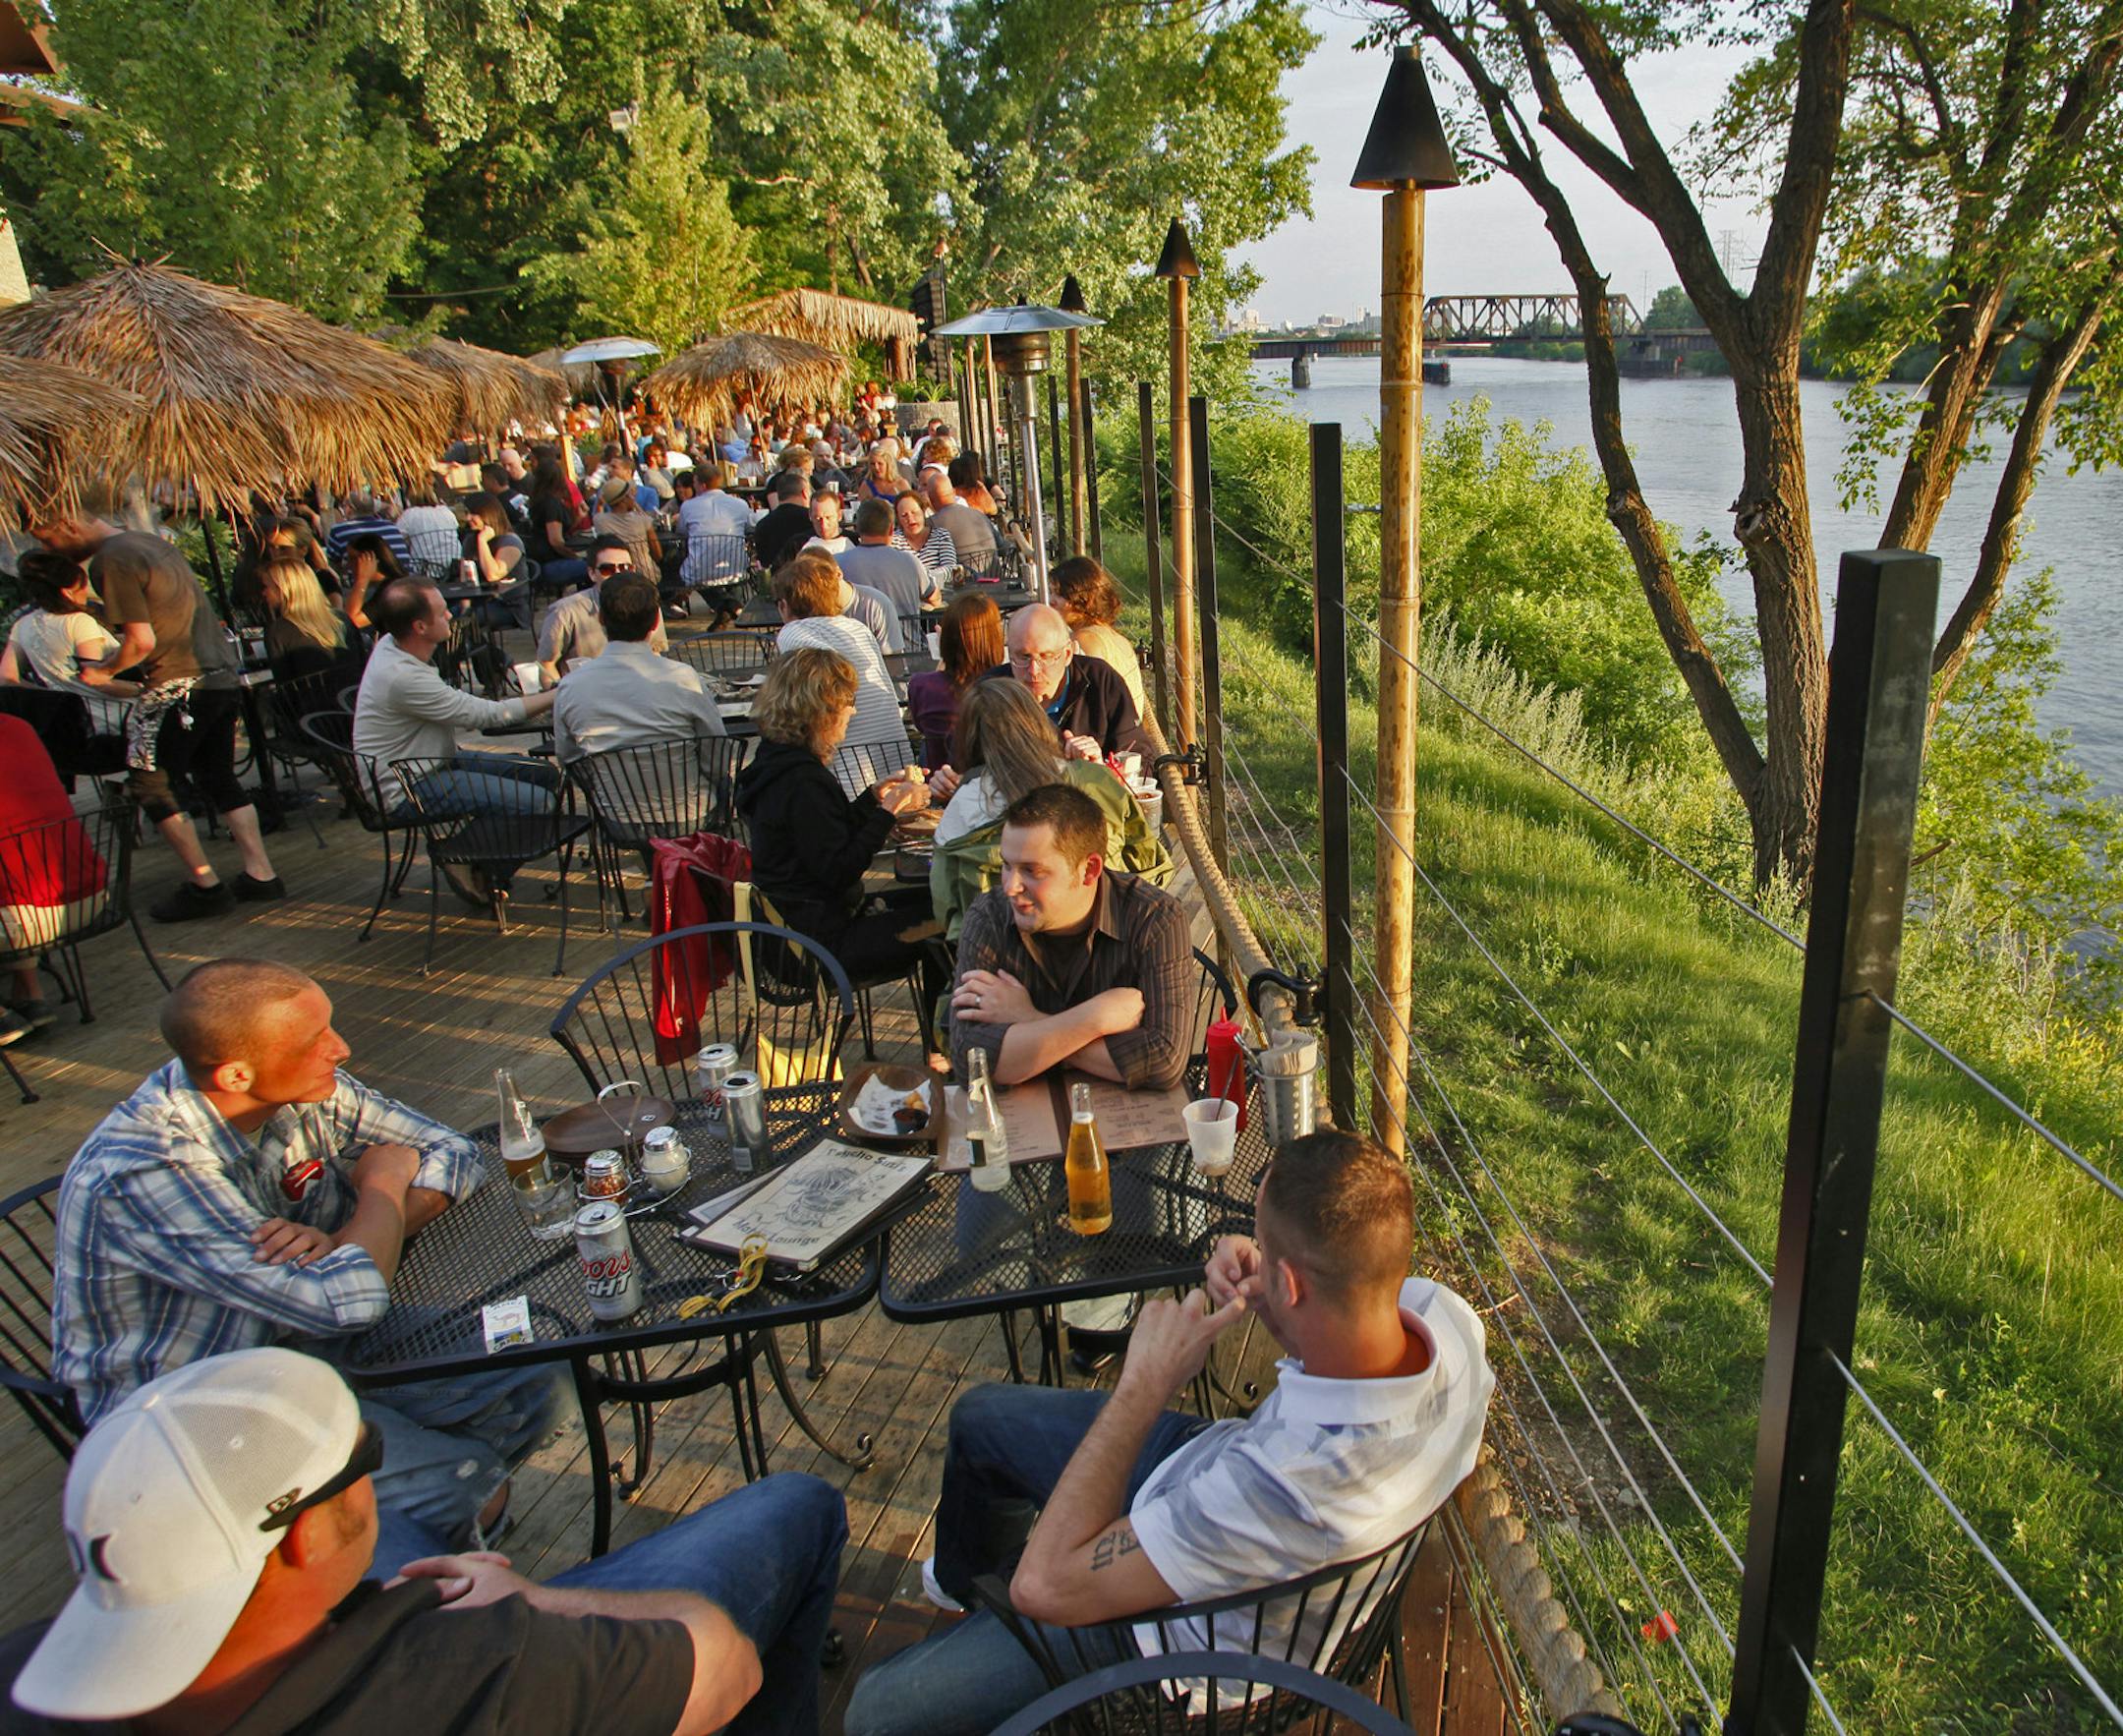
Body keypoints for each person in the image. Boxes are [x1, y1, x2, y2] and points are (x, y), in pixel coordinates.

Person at [842, 1128, 1496, 1736]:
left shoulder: (1285, 1487)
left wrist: (1141, 1387)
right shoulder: (1449, 1321)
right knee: (981, 1418)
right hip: (1220, 1499)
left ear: (1293, 1282)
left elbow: (1041, 1588)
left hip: (1178, 1639)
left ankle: (996, 1642)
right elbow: (1344, 1321)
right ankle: (967, 1602)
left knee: (874, 1712)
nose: (1253, 1257)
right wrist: (1275, 1290)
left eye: (1264, 1254)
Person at [0, 1348, 848, 1736]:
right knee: (798, 1505)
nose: (381, 1464)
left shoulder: (23, 1676)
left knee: (414, 1542)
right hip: (566, 1662)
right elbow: (724, 1666)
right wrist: (534, 1599)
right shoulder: (482, 1671)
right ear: (299, 1539)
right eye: (364, 1454)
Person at [48, 959, 571, 1550]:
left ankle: (391, 1526)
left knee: (538, 1362)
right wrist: (379, 1189)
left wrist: (357, 1234)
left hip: (309, 1344)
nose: (341, 1049)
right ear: (237, 1074)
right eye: (315, 1040)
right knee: (465, 1486)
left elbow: (453, 1150)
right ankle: (372, 1564)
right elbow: (345, 1302)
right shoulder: (150, 1168)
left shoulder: (295, 1087)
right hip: (200, 1414)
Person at [33, 491, 284, 921]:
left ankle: (206, 887)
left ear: (68, 525)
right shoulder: (150, 543)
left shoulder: (113, 558)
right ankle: (261, 874)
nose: (50, 551)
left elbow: (141, 641)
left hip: (175, 683)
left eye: (49, 541)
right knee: (217, 774)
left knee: (149, 783)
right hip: (219, 677)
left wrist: (105, 671)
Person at [733, 648, 946, 1053]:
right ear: (823, 710)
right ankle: (941, 1051)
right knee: (948, 922)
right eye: (848, 703)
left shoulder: (776, 763)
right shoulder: (803, 782)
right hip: (816, 947)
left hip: (790, 931)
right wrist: (887, 813)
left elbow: (817, 839)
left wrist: (869, 800)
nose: (852, 712)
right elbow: (839, 869)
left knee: (938, 897)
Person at [947, 782, 1189, 1089]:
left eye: (1032, 871)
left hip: (1129, 1124)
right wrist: (1094, 1020)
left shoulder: (1155, 919)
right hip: (1019, 1125)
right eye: (1007, 866)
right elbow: (970, 1060)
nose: (1010, 886)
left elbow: (1163, 1062)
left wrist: (1027, 1018)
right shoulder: (989, 917)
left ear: (1089, 870)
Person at [929, 681, 1168, 942]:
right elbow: (1148, 860)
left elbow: (947, 909)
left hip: (1001, 953)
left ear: (969, 737)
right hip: (1106, 936)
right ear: (1038, 724)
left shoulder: (962, 803)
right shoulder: (1094, 779)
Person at [353, 578, 559, 828]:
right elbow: (489, 715)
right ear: (419, 627)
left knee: (543, 773)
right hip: (408, 785)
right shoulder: (402, 676)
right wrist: (559, 693)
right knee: (539, 802)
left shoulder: (393, 642)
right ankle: (466, 863)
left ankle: (477, 852)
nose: (450, 616)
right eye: (442, 613)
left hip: (433, 760)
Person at [0, 714, 104, 1044]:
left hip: (24, 918)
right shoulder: (19, 726)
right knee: (17, 864)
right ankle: (29, 993)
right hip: (88, 898)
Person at [552, 573, 723, 764]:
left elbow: (568, 757)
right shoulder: (684, 678)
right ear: (656, 622)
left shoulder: (571, 685)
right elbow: (717, 750)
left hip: (609, 792)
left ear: (600, 618)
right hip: (686, 791)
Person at [773, 553, 906, 789]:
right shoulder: (856, 627)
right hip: (893, 752)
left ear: (784, 604)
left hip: (850, 765)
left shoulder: (792, 632)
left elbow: (828, 663)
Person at [986, 603, 1147, 763]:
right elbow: (966, 769)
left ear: (1068, 654)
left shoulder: (1101, 682)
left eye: (1046, 656)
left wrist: (1100, 767)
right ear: (1009, 653)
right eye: (1023, 657)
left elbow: (1141, 758)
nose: (1033, 670)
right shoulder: (991, 693)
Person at [0, 549, 137, 732]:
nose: (86, 595)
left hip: (64, 721)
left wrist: (53, 694)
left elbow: (6, 679)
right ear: (67, 592)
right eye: (83, 588)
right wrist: (144, 689)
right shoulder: (78, 622)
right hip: (112, 719)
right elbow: (95, 680)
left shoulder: (22, 625)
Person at [538, 536, 668, 682]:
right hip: (584, 694)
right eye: (608, 569)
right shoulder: (565, 611)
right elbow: (546, 665)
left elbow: (655, 652)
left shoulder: (646, 603)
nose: (618, 574)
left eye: (626, 568)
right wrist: (561, 695)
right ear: (592, 573)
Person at [905, 592, 1001, 770]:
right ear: (994, 638)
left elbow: (922, 727)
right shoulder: (1005, 689)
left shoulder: (921, 686)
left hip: (937, 782)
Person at [1051, 556, 1147, 717]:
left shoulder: (1084, 640)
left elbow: (1079, 704)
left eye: (1059, 594)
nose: (1051, 601)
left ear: (1082, 599)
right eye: (1052, 592)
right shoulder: (1116, 637)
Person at [836, 497, 935, 625]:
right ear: (891, 529)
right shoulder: (910, 561)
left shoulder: (836, 565)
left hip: (857, 643)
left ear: (857, 528)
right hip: (909, 643)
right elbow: (934, 597)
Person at [256, 553, 353, 676]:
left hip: (312, 694)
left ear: (284, 589)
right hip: (353, 692)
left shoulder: (278, 632)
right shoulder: (342, 619)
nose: (263, 593)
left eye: (265, 587)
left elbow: (285, 684)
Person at [677, 459, 755, 590]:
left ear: (702, 485)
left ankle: (727, 605)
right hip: (735, 571)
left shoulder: (688, 506)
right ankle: (731, 605)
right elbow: (749, 528)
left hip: (699, 574)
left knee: (692, 575)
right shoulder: (740, 504)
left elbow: (682, 532)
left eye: (694, 483)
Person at [460, 492, 531, 630]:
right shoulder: (469, 540)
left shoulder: (511, 541)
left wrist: (482, 541)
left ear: (488, 514)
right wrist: (464, 608)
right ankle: (473, 650)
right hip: (480, 602)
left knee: (468, 622)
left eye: (474, 513)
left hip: (509, 607)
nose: (468, 518)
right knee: (449, 619)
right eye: (467, 513)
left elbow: (493, 575)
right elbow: (465, 580)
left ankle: (478, 650)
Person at [526, 454, 591, 592]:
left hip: (540, 562)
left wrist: (578, 517)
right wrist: (574, 557)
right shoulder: (551, 504)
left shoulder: (539, 500)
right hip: (551, 563)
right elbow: (556, 540)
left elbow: (561, 530)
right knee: (596, 567)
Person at [922, 468, 997, 570]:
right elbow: (1003, 547)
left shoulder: (932, 524)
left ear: (931, 499)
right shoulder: (978, 514)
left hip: (960, 581)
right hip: (994, 576)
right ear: (953, 492)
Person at [594, 473, 663, 580]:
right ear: (624, 499)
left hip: (617, 577)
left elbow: (599, 510)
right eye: (631, 495)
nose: (633, 498)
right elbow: (658, 555)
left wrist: (601, 502)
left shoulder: (599, 521)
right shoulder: (643, 520)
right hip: (646, 576)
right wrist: (634, 504)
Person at [323, 493, 413, 572]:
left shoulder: (340, 530)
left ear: (350, 508)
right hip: (402, 577)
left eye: (344, 506)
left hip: (365, 582)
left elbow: (332, 560)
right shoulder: (391, 527)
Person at [340, 530, 406, 633]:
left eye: (353, 558)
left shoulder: (392, 589)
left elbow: (351, 620)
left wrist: (362, 580)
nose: (349, 565)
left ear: (370, 559)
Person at [753, 470, 816, 573]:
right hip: (807, 577)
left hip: (776, 582)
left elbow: (763, 562)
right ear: (805, 493)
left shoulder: (762, 524)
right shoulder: (812, 519)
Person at [393, 482, 461, 575]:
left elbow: (396, 539)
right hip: (453, 567)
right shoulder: (446, 512)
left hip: (423, 569)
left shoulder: (410, 514)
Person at [893, 491, 956, 583]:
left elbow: (951, 569)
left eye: (914, 512)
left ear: (923, 511)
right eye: (904, 515)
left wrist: (922, 579)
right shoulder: (894, 540)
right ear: (898, 518)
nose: (910, 519)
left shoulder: (941, 536)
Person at [803, 489, 850, 558]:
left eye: (828, 518)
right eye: (818, 518)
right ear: (810, 516)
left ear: (839, 515)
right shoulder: (797, 545)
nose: (823, 525)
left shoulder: (854, 541)